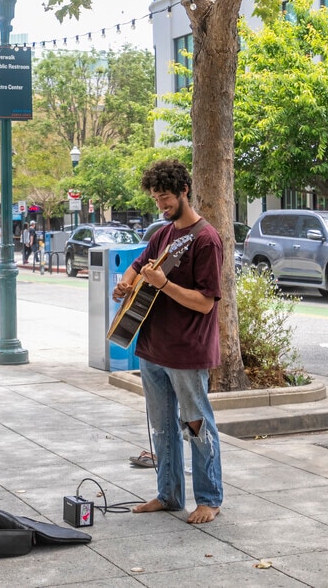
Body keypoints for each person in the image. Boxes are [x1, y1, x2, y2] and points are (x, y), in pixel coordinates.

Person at [112, 159, 224, 525]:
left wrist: (163, 284)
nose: (161, 205)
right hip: (152, 347)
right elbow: (139, 263)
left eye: (165, 198)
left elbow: (205, 302)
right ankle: (169, 495)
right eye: (156, 199)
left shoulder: (206, 239)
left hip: (187, 350)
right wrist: (125, 282)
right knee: (161, 428)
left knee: (196, 424)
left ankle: (209, 499)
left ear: (183, 191)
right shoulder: (162, 234)